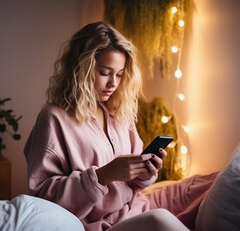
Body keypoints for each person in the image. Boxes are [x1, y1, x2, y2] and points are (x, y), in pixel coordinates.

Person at [24, 21, 216, 231]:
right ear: (81, 69)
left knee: (210, 184)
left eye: (119, 74)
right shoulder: (53, 118)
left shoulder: (117, 112)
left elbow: (132, 182)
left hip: (135, 208)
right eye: (105, 73)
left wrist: (144, 174)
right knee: (160, 220)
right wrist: (103, 176)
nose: (113, 84)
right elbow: (42, 197)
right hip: (99, 224)